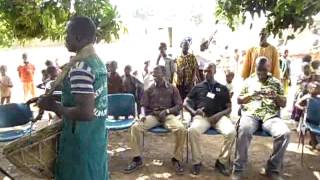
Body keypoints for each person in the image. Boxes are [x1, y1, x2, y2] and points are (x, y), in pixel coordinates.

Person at [37, 16, 108, 180]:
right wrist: (52, 98)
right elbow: (87, 97)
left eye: (67, 34)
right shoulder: (96, 62)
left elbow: (85, 113)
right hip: (95, 136)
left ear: (77, 37)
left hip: (80, 139)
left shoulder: (80, 67)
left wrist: (54, 107)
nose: (65, 39)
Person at [232, 57, 290, 180]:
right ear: (255, 68)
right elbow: (239, 100)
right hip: (250, 115)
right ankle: (238, 168)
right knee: (244, 129)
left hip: (270, 117)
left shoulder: (276, 82)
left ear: (269, 68)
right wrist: (251, 95)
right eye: (258, 70)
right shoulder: (249, 81)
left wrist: (275, 97)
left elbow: (284, 103)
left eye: (263, 70)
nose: (260, 73)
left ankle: (272, 169)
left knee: (285, 133)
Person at [124, 65, 186, 175]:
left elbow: (179, 105)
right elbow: (143, 104)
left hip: (168, 116)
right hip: (154, 116)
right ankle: (137, 158)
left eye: (156, 73)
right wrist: (142, 114)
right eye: (153, 73)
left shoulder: (172, 88)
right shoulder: (150, 89)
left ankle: (176, 159)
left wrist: (167, 111)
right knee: (135, 127)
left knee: (181, 129)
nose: (154, 75)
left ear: (164, 74)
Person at [185, 63, 236, 176]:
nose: (206, 73)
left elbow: (229, 108)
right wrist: (194, 112)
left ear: (215, 71)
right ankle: (197, 162)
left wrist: (218, 115)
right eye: (204, 71)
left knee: (231, 132)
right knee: (192, 130)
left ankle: (221, 162)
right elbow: (186, 102)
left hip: (219, 117)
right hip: (203, 117)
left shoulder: (223, 88)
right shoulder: (198, 87)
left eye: (209, 70)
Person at [295, 81, 320, 150]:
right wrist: (302, 108)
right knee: (311, 129)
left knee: (315, 129)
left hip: (318, 120)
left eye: (317, 88)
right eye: (313, 88)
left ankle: (314, 143)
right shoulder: (307, 96)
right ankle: (314, 144)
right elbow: (296, 104)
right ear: (309, 89)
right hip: (308, 120)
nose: (315, 89)